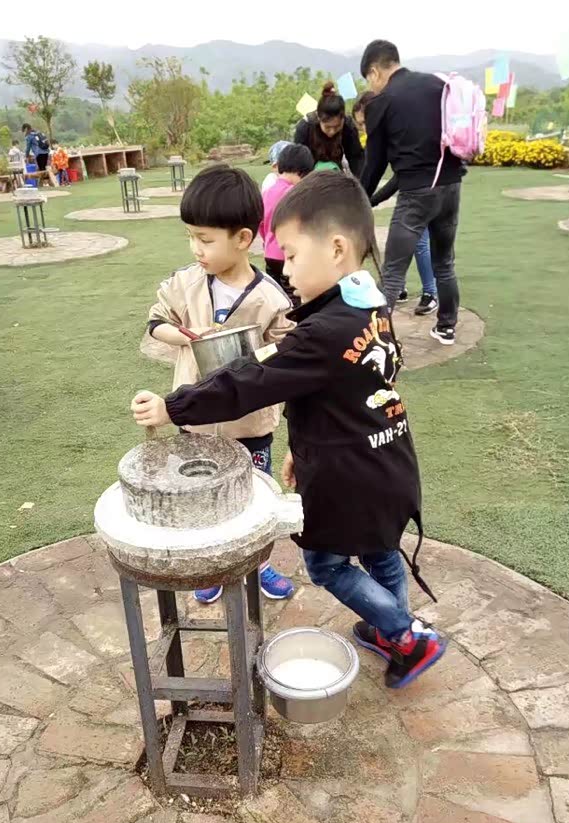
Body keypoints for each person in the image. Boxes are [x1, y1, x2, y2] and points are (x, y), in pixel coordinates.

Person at [132, 172, 446, 690]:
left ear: (337, 249)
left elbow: (249, 382)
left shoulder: (320, 333)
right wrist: (303, 450)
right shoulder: (370, 304)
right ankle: (393, 628)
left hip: (349, 478)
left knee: (326, 566)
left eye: (294, 255)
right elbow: (347, 391)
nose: (286, 268)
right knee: (381, 551)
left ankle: (406, 634)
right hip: (389, 464)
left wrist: (174, 406)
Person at [145, 164, 296, 605]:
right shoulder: (185, 283)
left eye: (206, 239)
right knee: (200, 496)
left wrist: (259, 356)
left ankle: (260, 564)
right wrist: (187, 336)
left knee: (254, 497)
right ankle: (212, 567)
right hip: (193, 420)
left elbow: (285, 355)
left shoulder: (271, 298)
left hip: (251, 425)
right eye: (191, 237)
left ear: (243, 238)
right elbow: (157, 322)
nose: (196, 248)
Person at [360, 40, 464, 345]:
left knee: (393, 271)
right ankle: (447, 326)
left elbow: (375, 164)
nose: (371, 86)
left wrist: (360, 198)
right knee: (444, 262)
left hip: (416, 193)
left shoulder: (382, 102)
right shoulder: (437, 85)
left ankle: (375, 341)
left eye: (369, 79)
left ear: (375, 71)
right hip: (451, 185)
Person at [354, 93, 437, 316]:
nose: (363, 129)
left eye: (364, 122)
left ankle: (431, 293)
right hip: (412, 188)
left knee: (419, 241)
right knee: (402, 238)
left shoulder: (401, 131)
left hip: (428, 186)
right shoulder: (386, 135)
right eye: (359, 125)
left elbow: (396, 178)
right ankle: (398, 287)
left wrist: (370, 199)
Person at [259, 143, 314, 307]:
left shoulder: (267, 191)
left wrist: (267, 242)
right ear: (301, 172)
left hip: (269, 254)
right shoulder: (294, 194)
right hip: (287, 256)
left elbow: (261, 224)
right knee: (293, 297)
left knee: (275, 298)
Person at [294, 82, 364, 176]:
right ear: (319, 119)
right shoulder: (305, 128)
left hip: (336, 173)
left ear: (343, 119)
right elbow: (299, 164)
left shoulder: (348, 126)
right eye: (327, 127)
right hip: (310, 175)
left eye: (337, 126)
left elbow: (356, 159)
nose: (332, 132)